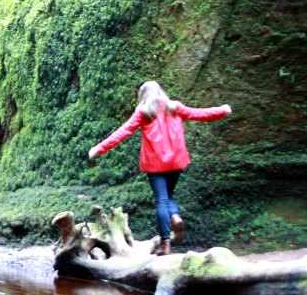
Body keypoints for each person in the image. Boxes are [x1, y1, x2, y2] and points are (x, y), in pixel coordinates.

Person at [87, 81, 232, 256]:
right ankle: (175, 217)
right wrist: (222, 110)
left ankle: (165, 244)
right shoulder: (174, 107)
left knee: (162, 200)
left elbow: (122, 132)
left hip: (155, 165)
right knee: (168, 196)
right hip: (176, 162)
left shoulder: (144, 112)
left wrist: (98, 149)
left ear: (143, 96)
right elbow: (200, 114)